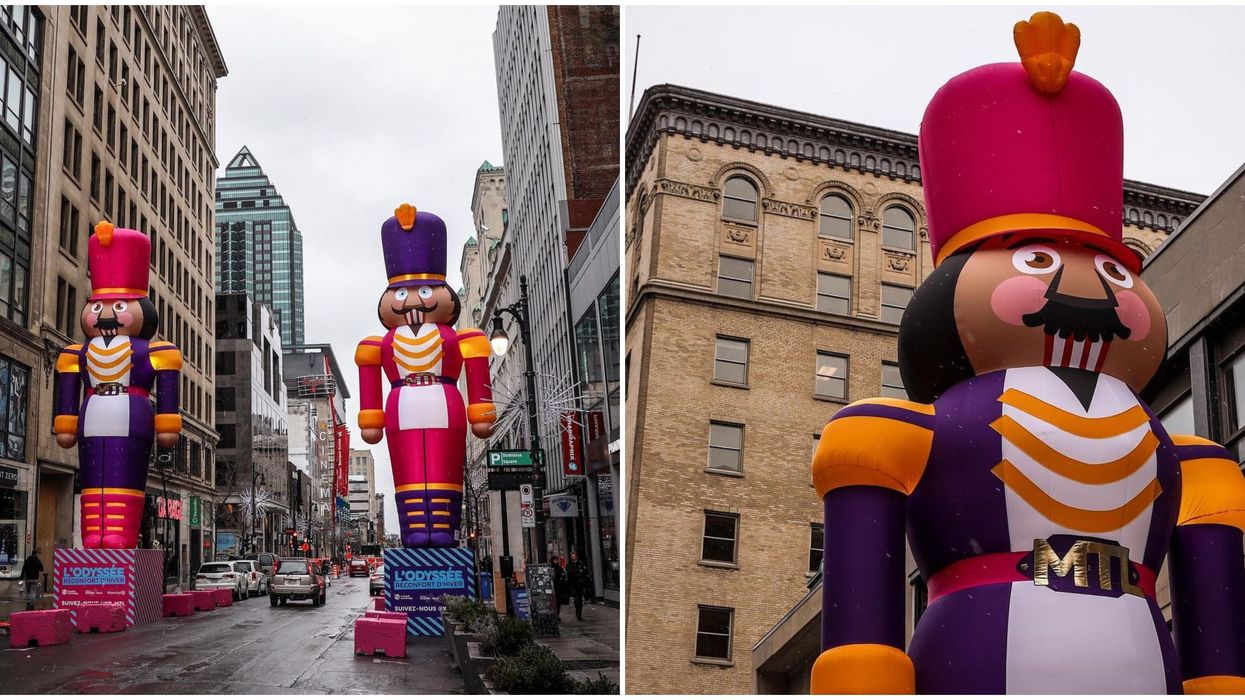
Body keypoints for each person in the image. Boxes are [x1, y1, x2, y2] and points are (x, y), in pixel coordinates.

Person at [567, 551, 591, 621]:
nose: (573, 557)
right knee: (576, 599)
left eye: (574, 556)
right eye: (572, 556)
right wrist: (578, 572)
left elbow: (584, 571)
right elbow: (570, 572)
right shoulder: (569, 564)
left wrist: (577, 573)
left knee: (580, 599)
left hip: (581, 584)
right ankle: (578, 612)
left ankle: (579, 612)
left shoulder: (580, 563)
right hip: (574, 585)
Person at [551, 556, 568, 621]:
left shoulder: (559, 568)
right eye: (554, 560)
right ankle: (554, 615)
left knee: (558, 602)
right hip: (552, 587)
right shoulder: (550, 568)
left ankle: (557, 615)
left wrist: (561, 579)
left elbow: (563, 575)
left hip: (558, 587)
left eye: (556, 560)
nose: (556, 562)